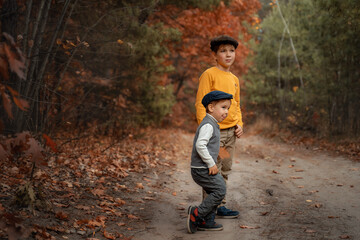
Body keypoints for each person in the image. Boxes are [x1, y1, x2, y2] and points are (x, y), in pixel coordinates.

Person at [195, 35, 244, 219]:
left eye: (231, 50)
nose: (228, 54)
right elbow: (201, 104)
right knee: (212, 169)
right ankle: (207, 210)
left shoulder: (234, 79)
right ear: (215, 55)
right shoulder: (209, 75)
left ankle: (219, 205)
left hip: (230, 134)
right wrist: (206, 128)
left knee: (224, 168)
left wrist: (240, 124)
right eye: (223, 51)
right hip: (216, 134)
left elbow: (237, 104)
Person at [187, 90, 233, 233]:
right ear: (211, 107)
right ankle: (196, 214)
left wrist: (222, 157)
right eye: (223, 107)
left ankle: (207, 220)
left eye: (228, 108)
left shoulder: (213, 123)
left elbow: (211, 146)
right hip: (201, 169)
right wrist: (211, 164)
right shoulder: (208, 125)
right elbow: (200, 145)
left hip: (202, 168)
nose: (226, 112)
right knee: (220, 189)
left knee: (215, 190)